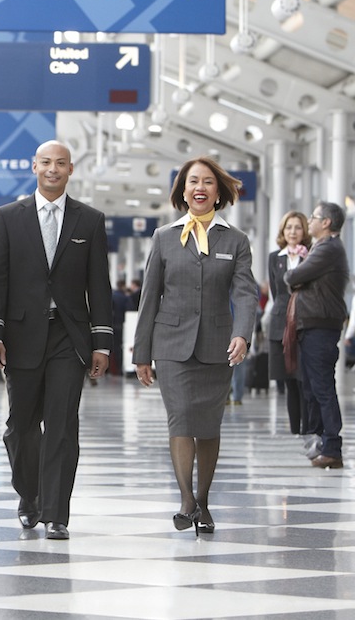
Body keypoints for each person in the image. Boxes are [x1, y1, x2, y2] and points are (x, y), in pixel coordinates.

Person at [0, 139, 114, 541]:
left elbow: (99, 286)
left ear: (71, 170)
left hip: (68, 337)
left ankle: (57, 512)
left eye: (61, 163)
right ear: (33, 167)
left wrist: (101, 343)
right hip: (20, 336)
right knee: (20, 426)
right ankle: (30, 494)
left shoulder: (89, 220)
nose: (53, 169)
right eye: (46, 163)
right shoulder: (8, 217)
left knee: (61, 425)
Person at [133, 156, 259, 534]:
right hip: (171, 345)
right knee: (181, 420)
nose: (199, 188)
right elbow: (149, 296)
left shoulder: (235, 240)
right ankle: (187, 500)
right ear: (182, 191)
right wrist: (141, 353)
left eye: (207, 182)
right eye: (192, 182)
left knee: (208, 425)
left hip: (217, 346)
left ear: (218, 192)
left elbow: (246, 293)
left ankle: (203, 501)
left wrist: (242, 333)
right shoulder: (164, 237)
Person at [284, 201, 348, 469]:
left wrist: (295, 275)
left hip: (321, 327)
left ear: (326, 223)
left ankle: (332, 447)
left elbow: (293, 276)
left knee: (322, 388)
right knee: (312, 386)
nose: (310, 221)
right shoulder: (323, 248)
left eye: (313, 217)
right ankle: (322, 442)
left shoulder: (328, 248)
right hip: (312, 326)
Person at [266, 212, 311, 435]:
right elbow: (276, 292)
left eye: (297, 228)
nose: (293, 232)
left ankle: (308, 429)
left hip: (304, 320)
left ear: (305, 231)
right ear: (283, 232)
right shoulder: (275, 257)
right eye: (289, 228)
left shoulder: (311, 256)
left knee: (304, 378)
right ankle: (295, 430)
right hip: (281, 321)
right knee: (290, 380)